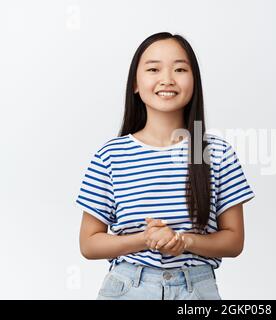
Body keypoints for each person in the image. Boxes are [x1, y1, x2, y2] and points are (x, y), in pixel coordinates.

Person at [75, 32, 255, 300]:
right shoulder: (110, 155)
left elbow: (234, 241)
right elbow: (89, 243)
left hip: (196, 290)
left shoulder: (215, 152)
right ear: (135, 83)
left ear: (194, 81)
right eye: (153, 69)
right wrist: (145, 239)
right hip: (127, 287)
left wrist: (184, 242)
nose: (167, 79)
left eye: (180, 69)